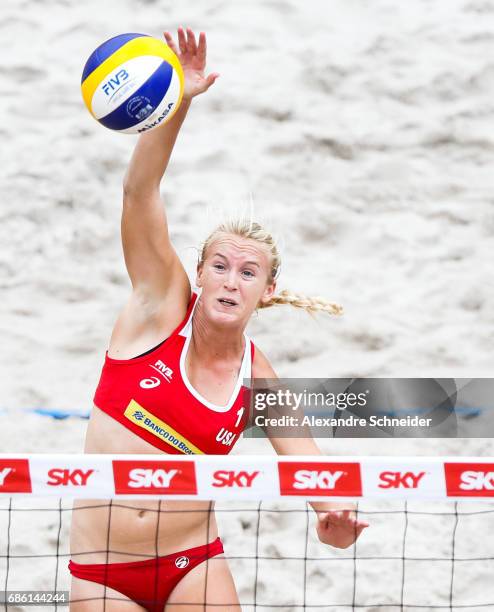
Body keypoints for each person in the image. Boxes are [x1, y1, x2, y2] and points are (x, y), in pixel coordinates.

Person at [68, 27, 369, 612]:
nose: (232, 281)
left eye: (248, 273)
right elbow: (138, 192)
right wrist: (179, 100)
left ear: (266, 291)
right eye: (221, 267)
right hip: (102, 571)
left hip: (193, 564)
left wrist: (335, 516)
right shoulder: (157, 310)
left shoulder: (257, 377)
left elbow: (312, 469)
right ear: (199, 273)